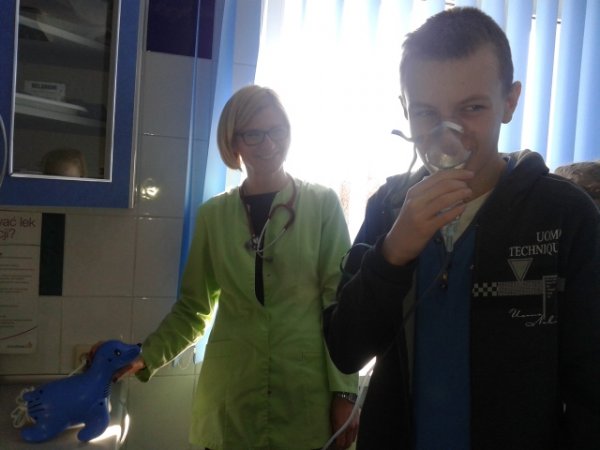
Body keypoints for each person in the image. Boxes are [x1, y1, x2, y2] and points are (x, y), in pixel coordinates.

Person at [323, 7, 600, 450]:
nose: (448, 134)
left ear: (509, 102)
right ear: (405, 110)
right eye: (425, 112)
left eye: (471, 108)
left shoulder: (565, 215)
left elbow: (590, 384)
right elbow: (346, 349)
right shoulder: (388, 208)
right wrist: (392, 254)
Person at [97, 85, 358, 450]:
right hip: (232, 396)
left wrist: (345, 394)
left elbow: (341, 308)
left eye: (277, 130)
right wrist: (146, 356)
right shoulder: (214, 215)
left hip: (305, 395)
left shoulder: (322, 204)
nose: (268, 143)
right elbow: (194, 308)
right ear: (232, 142)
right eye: (254, 134)